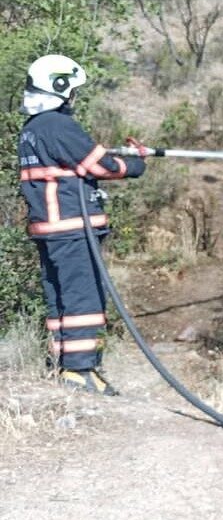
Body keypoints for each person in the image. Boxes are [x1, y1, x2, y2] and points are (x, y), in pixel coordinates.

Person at [18, 54, 147, 395]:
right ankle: (81, 371)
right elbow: (100, 165)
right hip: (72, 229)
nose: (74, 97)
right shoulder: (58, 126)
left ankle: (64, 365)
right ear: (59, 87)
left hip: (50, 229)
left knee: (59, 298)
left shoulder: (32, 129)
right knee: (82, 298)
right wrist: (135, 165)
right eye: (72, 89)